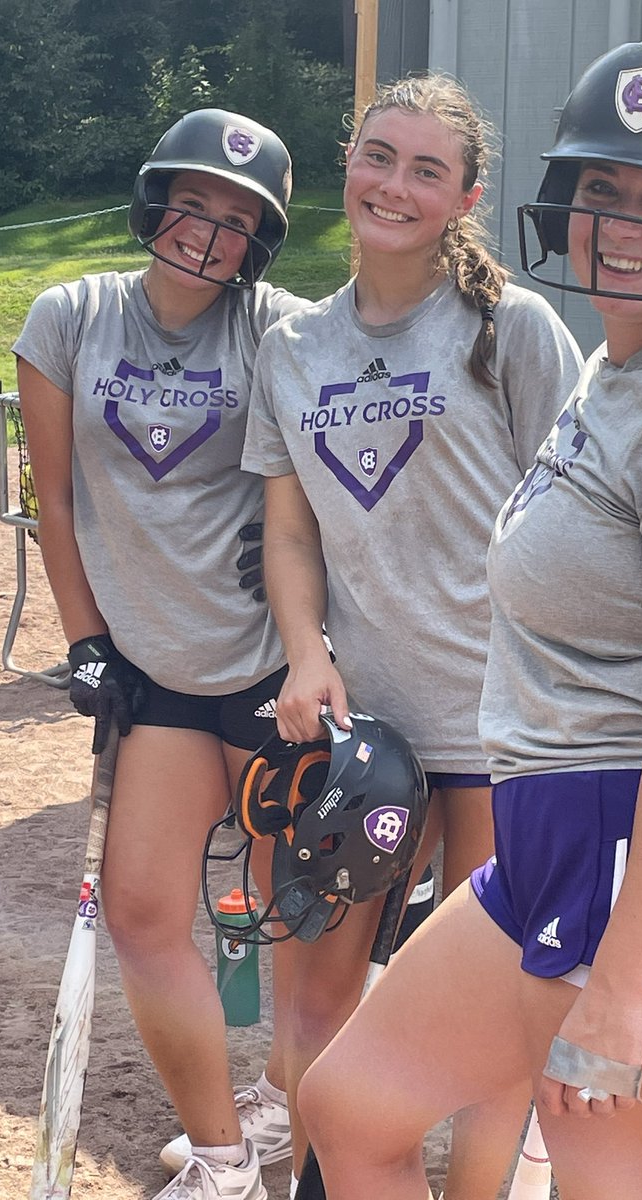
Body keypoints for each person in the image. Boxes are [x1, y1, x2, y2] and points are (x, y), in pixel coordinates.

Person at [295, 37, 642, 1200]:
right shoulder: (617, 369)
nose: (622, 223)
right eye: (602, 189)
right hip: (554, 842)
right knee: (349, 1108)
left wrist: (623, 986)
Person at [232, 73, 583, 1200]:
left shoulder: (509, 328)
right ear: (349, 163)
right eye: (379, 155)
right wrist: (306, 650)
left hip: (501, 729)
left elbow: (580, 517)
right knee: (312, 1015)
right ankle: (328, 1181)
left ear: (466, 195)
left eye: (427, 169)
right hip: (358, 734)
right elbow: (290, 535)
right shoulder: (293, 349)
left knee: (495, 1025)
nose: (394, 184)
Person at [15, 108, 310, 1200]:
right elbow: (55, 498)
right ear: (154, 199)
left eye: (238, 220)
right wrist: (84, 639)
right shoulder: (72, 314)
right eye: (193, 201)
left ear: (260, 244)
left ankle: (286, 1106)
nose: (207, 232)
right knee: (144, 918)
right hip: (157, 675)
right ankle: (224, 1158)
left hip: (274, 671)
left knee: (303, 925)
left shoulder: (277, 326)